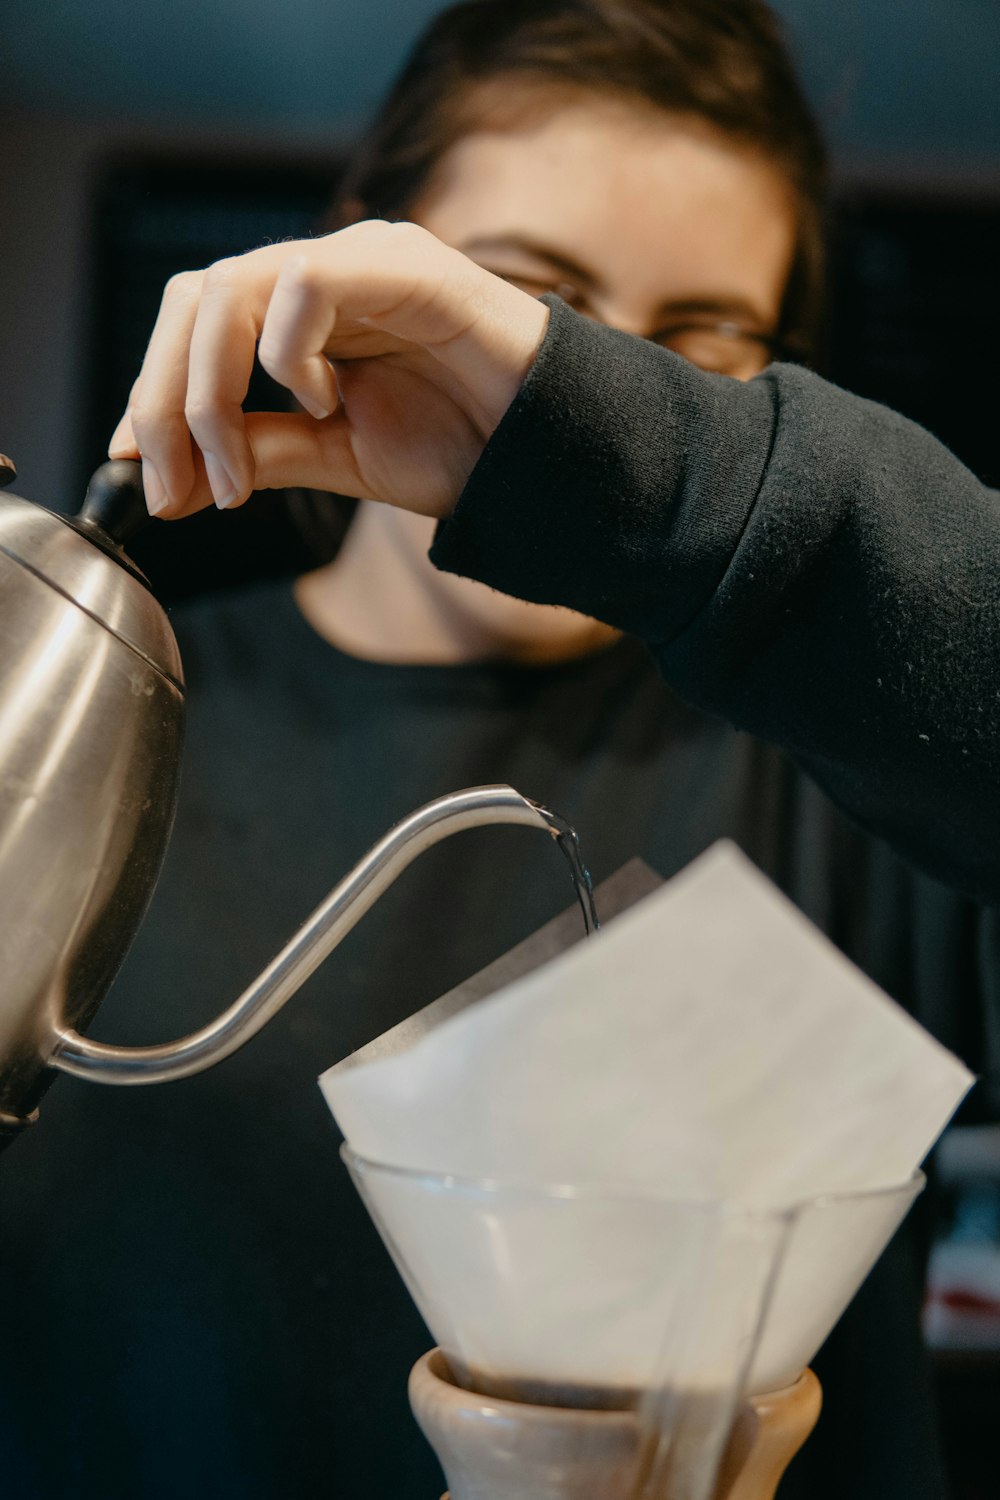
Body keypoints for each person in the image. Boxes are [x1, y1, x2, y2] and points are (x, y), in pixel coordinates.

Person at [1, 3, 997, 1498]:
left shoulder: (858, 772)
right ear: (356, 260)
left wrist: (654, 480)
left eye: (695, 351)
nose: (583, 393)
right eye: (536, 302)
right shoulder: (83, 721)